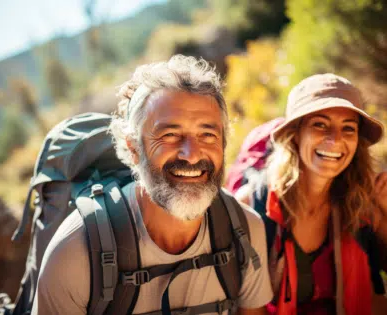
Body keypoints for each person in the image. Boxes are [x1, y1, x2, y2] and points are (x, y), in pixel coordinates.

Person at [31, 55, 273, 315]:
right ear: (133, 148)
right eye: (170, 135)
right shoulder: (76, 252)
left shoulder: (245, 229)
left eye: (207, 135)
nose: (191, 155)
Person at [237, 73, 387, 314]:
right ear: (295, 134)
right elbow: (248, 310)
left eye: (348, 128)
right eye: (320, 124)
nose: (335, 139)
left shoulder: (365, 201)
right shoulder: (253, 207)